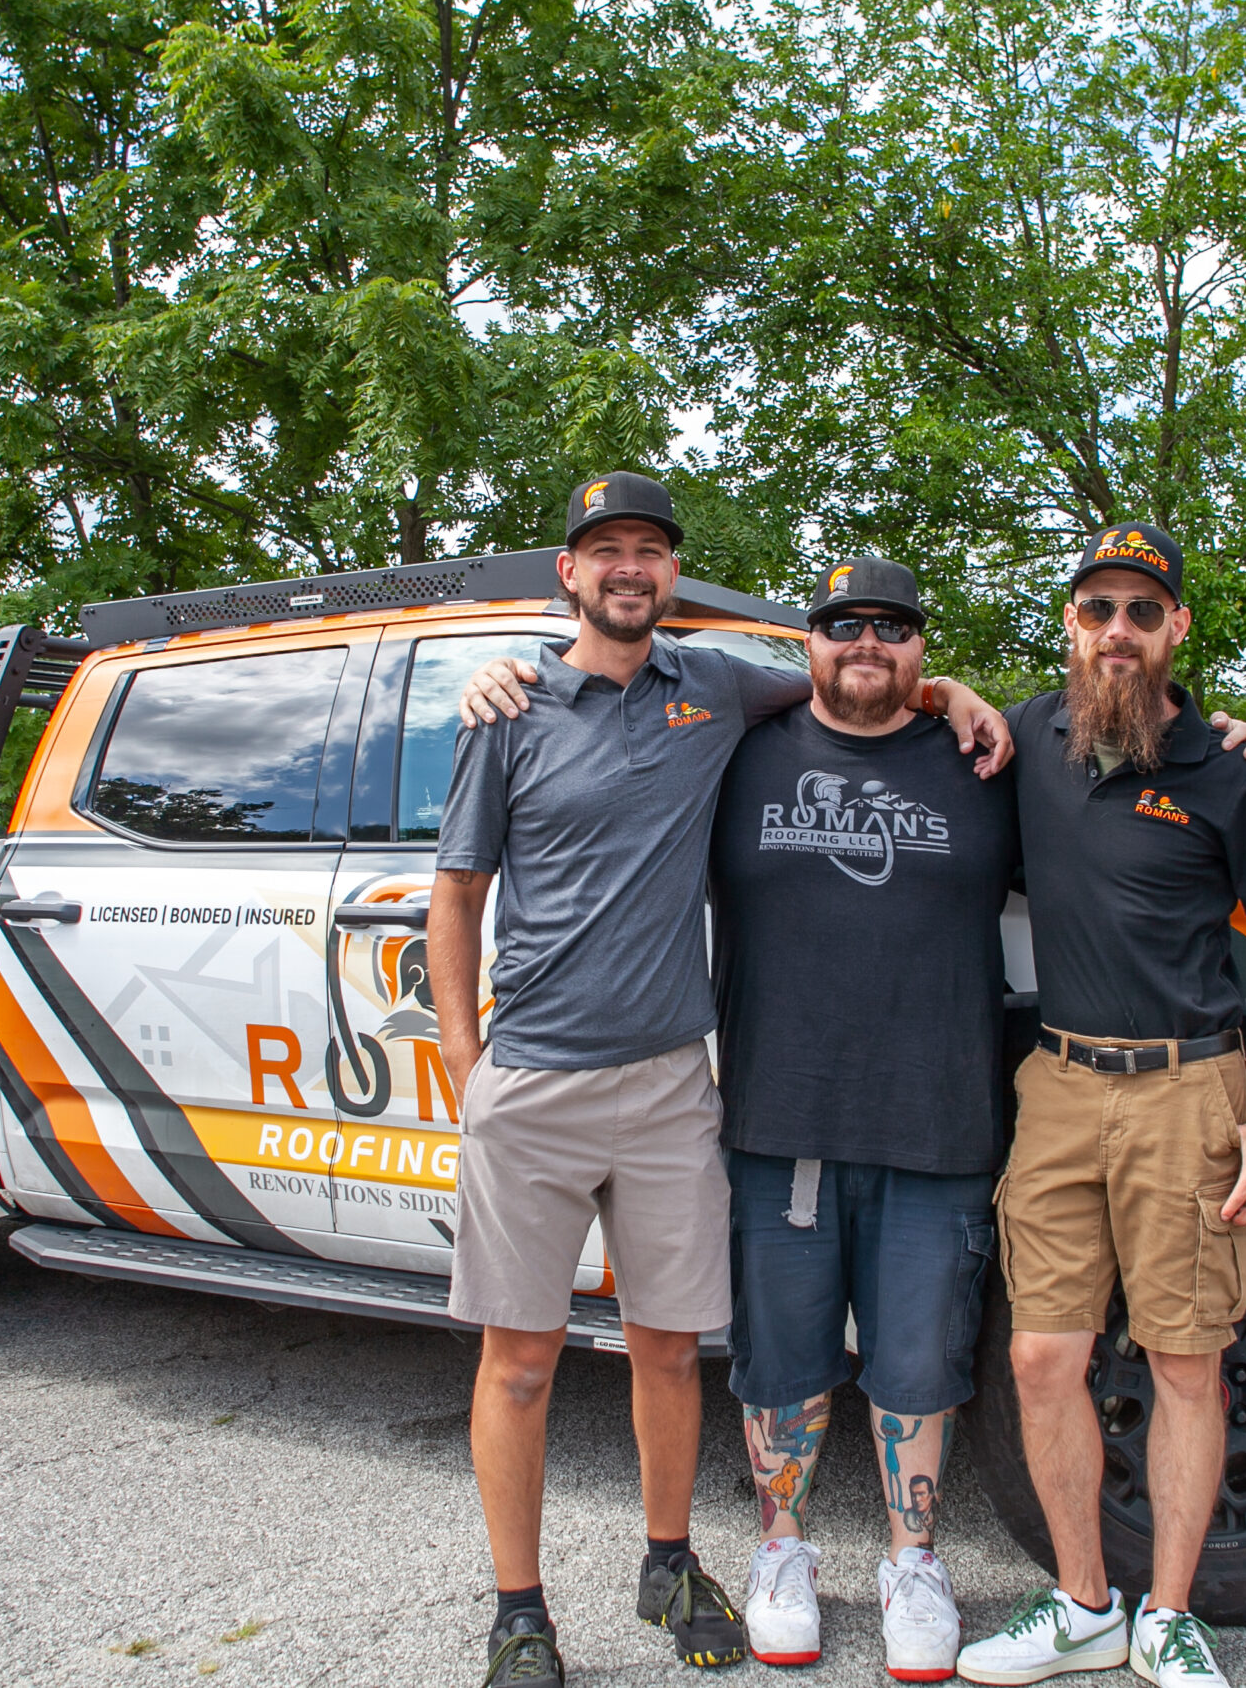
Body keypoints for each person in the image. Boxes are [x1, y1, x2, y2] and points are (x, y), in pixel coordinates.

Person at [428, 472, 1015, 1688]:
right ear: (570, 575)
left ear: (671, 576)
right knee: (521, 1358)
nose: (628, 569)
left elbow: (852, 678)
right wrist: (463, 1065)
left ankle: (669, 1561)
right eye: (606, 552)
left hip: (667, 1084)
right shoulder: (508, 704)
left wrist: (950, 689)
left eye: (649, 551)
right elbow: (455, 895)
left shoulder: (715, 687)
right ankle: (518, 1614)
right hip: (530, 1079)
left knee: (665, 1345)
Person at [955, 523, 1246, 1688]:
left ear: (1176, 630)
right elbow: (882, 692)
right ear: (1071, 624)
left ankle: (1167, 1615)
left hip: (1188, 1093)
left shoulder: (1230, 773)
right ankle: (1080, 1605)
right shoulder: (1027, 738)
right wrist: (955, 687)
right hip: (1057, 1087)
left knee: (1184, 1364)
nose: (1118, 631)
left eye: (1141, 612)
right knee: (1040, 1358)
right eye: (1097, 609)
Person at [707, 556, 1020, 1682]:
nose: (867, 644)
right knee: (779, 1360)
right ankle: (781, 1553)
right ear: (809, 643)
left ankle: (912, 1564)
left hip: (937, 1124)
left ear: (921, 651)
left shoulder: (988, 763)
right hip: (778, 1119)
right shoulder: (738, 753)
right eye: (844, 626)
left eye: (892, 627)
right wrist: (514, 680)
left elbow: (1110, 799)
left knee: (915, 1364)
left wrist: (1238, 743)